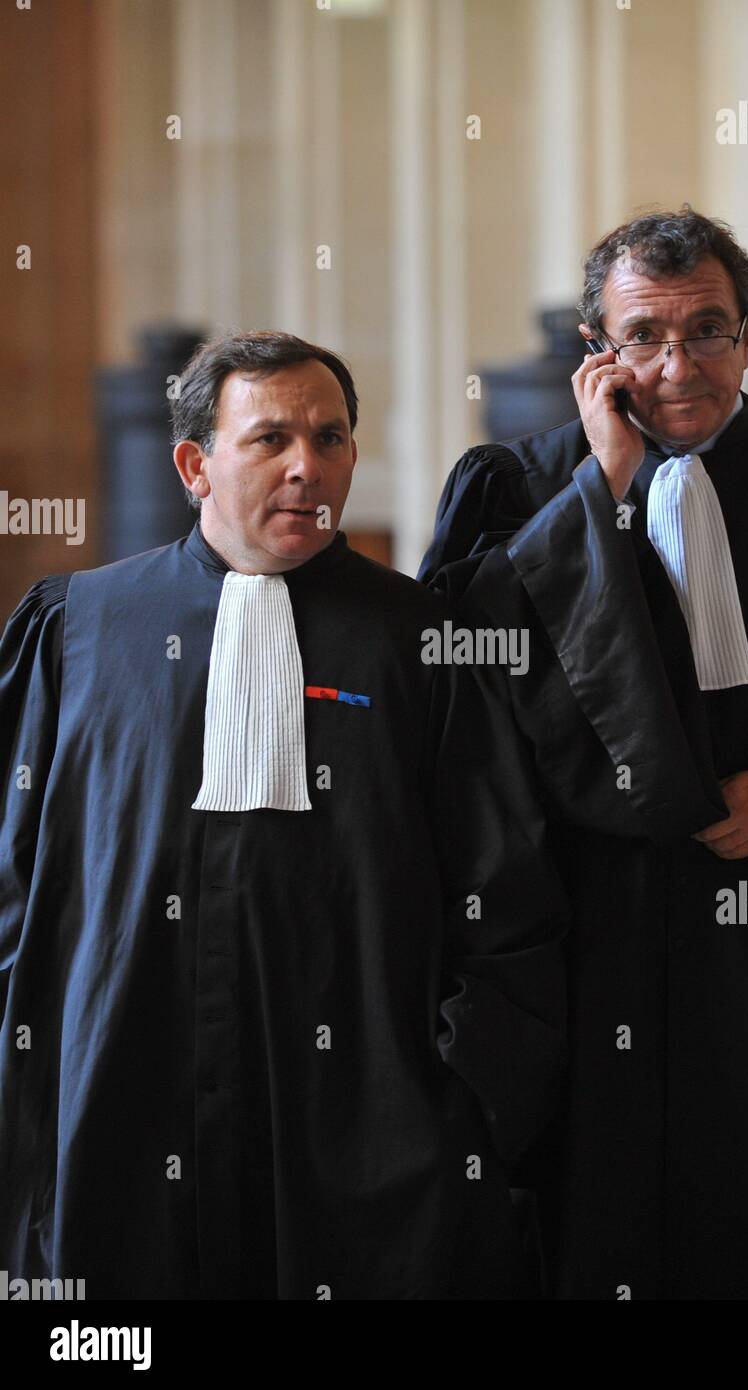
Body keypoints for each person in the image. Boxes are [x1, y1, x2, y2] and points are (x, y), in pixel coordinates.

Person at [419, 207, 748, 1300]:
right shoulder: (516, 492)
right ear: (594, 349)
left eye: (708, 331)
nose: (678, 366)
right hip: (594, 912)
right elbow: (462, 682)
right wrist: (599, 489)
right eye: (644, 337)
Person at [0, 330, 566, 1300]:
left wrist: (459, 1084)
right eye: (269, 440)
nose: (308, 466)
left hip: (365, 1107)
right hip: (127, 1086)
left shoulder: (424, 639)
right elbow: (17, 884)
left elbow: (501, 878)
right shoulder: (81, 630)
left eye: (331, 437)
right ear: (194, 464)